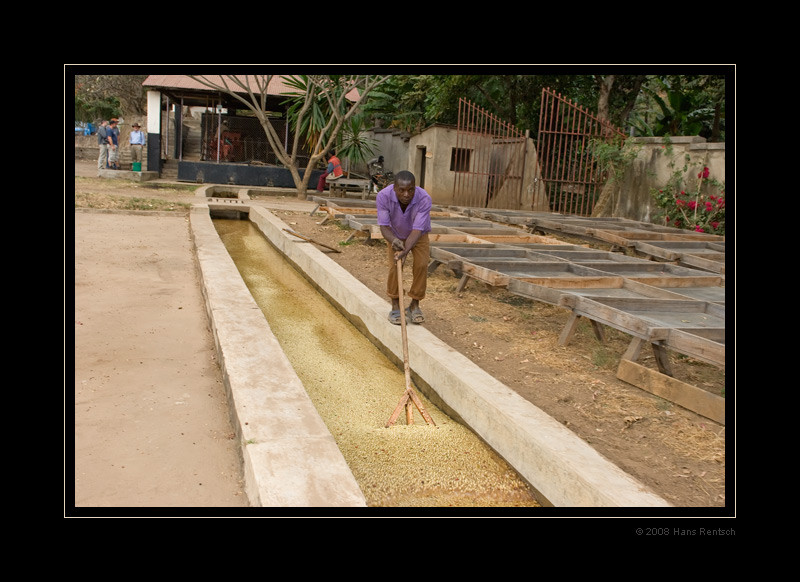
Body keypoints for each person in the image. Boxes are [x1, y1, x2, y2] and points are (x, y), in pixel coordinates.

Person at [376, 170, 432, 325]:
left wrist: (405, 250)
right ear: (394, 188)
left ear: (415, 188)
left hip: (418, 234)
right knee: (395, 266)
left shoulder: (424, 198)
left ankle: (414, 304)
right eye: (402, 190)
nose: (406, 194)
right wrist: (394, 241)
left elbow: (417, 229)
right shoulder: (383, 196)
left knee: (421, 264)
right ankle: (395, 305)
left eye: (410, 190)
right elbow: (384, 227)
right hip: (395, 234)